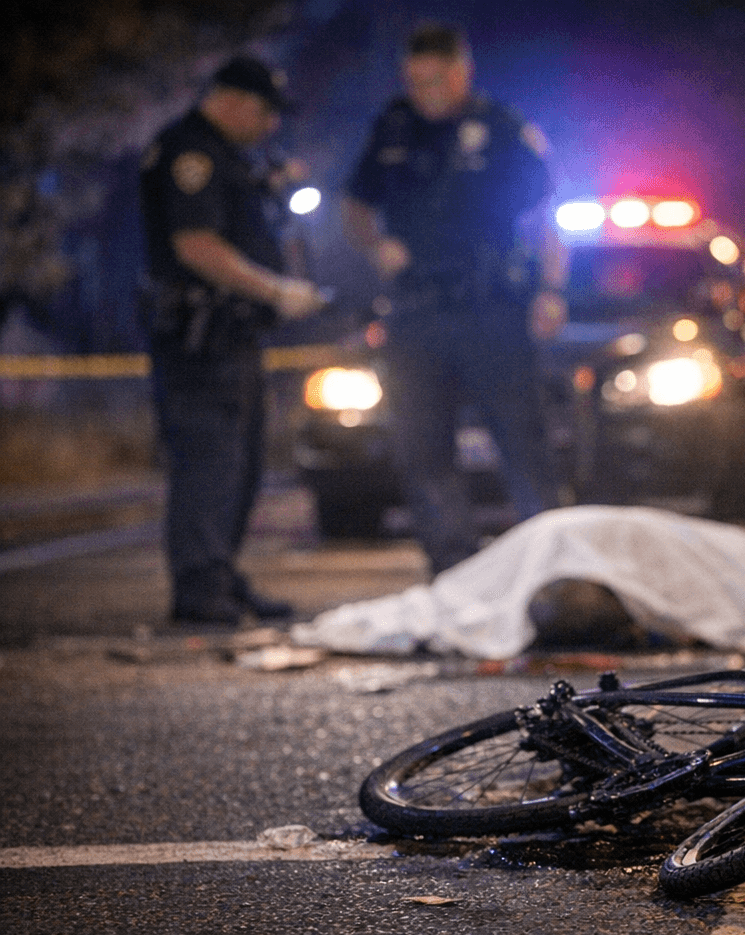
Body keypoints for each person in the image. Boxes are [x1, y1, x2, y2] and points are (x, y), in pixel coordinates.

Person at [343, 22, 566, 576]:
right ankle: (455, 572)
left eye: (437, 79)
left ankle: (551, 569)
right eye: (416, 81)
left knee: (523, 444)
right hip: (417, 311)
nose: (427, 92)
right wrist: (377, 246)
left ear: (462, 71)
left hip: (492, 308)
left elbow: (544, 217)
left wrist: (551, 290)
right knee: (421, 448)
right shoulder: (393, 128)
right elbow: (354, 203)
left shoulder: (501, 129)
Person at [139, 55, 328, 625]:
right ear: (237, 100)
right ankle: (199, 585)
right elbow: (195, 244)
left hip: (231, 334)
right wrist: (274, 290)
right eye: (267, 112)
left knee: (239, 463)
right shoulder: (190, 151)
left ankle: (218, 573)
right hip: (201, 337)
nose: (271, 125)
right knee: (209, 460)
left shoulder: (229, 155)